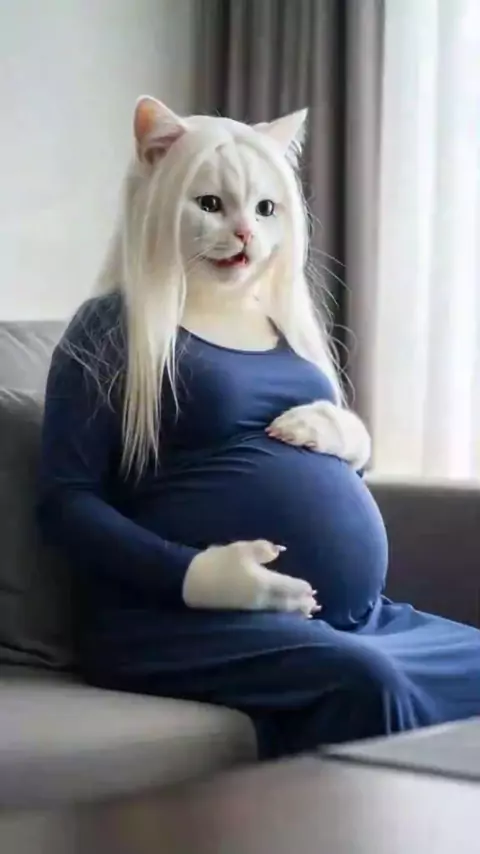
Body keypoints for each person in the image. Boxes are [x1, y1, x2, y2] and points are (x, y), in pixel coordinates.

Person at [37, 97, 480, 759]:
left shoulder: (282, 327)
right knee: (368, 684)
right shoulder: (111, 327)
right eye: (212, 205)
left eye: (266, 209)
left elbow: (318, 469)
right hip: (179, 621)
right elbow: (65, 501)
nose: (245, 231)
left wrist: (350, 443)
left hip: (348, 618)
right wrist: (193, 575)